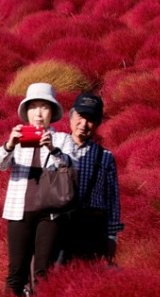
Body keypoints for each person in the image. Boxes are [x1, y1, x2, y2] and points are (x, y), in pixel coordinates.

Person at [0, 82, 73, 297]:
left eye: (44, 107)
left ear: (52, 112)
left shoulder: (62, 139)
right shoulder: (17, 139)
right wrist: (9, 144)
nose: (38, 113)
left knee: (43, 273)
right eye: (33, 107)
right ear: (26, 112)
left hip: (51, 212)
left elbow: (72, 166)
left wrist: (52, 148)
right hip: (19, 211)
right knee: (16, 271)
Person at [59, 92, 124, 264]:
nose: (84, 124)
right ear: (71, 117)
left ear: (98, 124)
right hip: (60, 224)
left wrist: (112, 236)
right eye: (80, 117)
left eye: (91, 119)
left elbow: (112, 199)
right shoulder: (56, 148)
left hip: (93, 227)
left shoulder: (106, 157)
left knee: (87, 275)